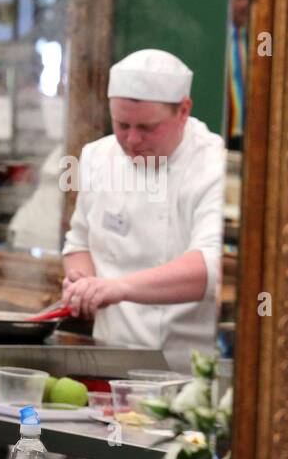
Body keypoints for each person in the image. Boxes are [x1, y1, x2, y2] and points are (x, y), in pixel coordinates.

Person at [61, 49, 224, 373]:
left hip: (184, 372)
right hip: (106, 362)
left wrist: (117, 288)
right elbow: (78, 242)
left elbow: (208, 267)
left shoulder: (213, 163)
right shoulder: (97, 157)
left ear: (184, 110)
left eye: (147, 128)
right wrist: (82, 282)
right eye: (122, 124)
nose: (132, 140)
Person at [225, 0, 250, 152]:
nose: (246, 5)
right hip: (224, 130)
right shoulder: (219, 37)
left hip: (251, 133)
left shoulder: (263, 37)